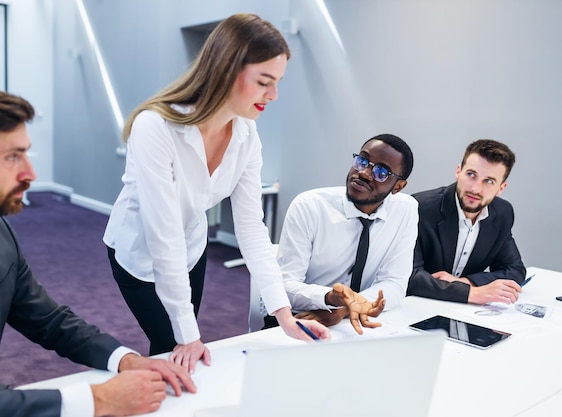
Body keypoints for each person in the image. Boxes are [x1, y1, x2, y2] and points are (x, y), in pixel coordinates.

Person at [0, 80, 196, 417]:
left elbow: (47, 319)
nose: (30, 173)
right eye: (12, 157)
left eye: (26, 153)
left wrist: (126, 360)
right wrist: (99, 400)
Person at [103, 12, 329, 373]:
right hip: (139, 252)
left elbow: (252, 228)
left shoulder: (246, 135)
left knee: (181, 347)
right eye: (264, 82)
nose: (273, 95)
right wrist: (188, 334)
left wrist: (284, 315)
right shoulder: (155, 128)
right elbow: (163, 236)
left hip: (191, 248)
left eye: (278, 82)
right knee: (171, 343)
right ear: (226, 69)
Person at [277, 134, 418, 334]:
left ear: (398, 186)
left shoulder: (405, 210)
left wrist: (342, 309)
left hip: (351, 323)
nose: (365, 174)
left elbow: (395, 283)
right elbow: (283, 286)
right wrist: (329, 298)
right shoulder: (310, 206)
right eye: (362, 161)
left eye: (381, 172)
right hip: (297, 319)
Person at [406, 139, 526, 304]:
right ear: (458, 171)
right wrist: (472, 294)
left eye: (488, 181)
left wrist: (467, 283)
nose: (475, 189)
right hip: (416, 307)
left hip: (462, 313)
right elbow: (409, 276)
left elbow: (514, 270)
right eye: (471, 175)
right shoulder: (420, 208)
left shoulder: (502, 213)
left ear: (501, 188)